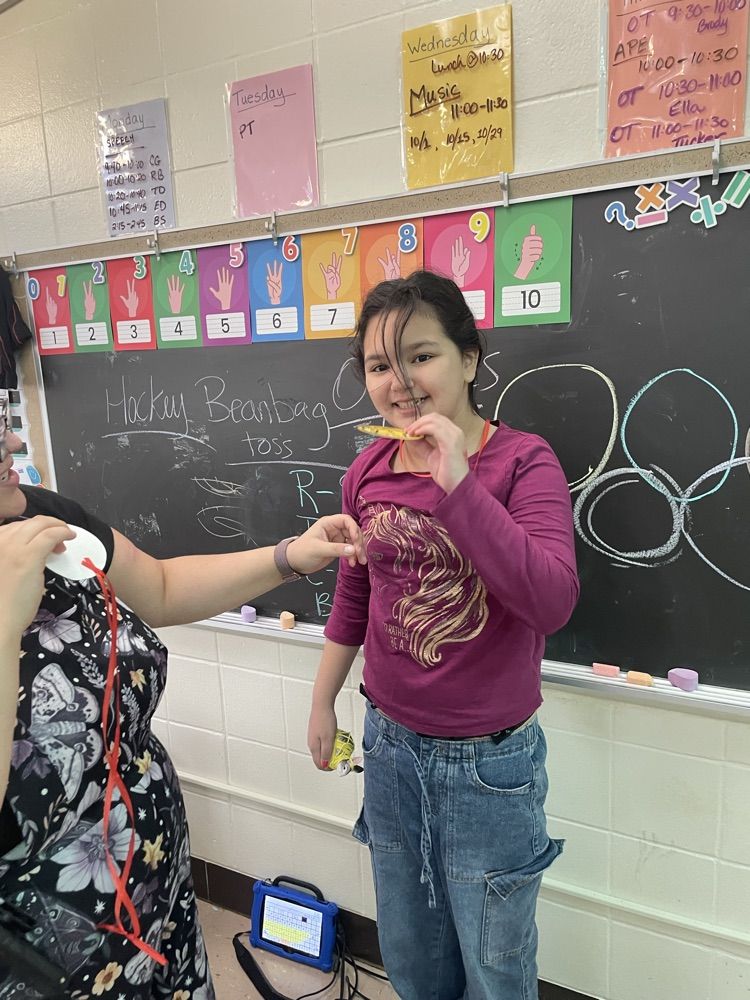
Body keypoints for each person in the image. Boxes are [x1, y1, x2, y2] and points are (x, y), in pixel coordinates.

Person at [0, 387, 366, 1000]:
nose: (13, 442)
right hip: (51, 956)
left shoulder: (36, 516)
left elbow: (162, 587)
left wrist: (289, 557)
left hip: (156, 894)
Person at [306, 271, 579, 1000]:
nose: (400, 382)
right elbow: (355, 594)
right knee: (413, 958)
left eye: (420, 356)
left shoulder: (523, 462)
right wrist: (321, 701)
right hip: (391, 751)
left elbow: (550, 600)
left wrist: (458, 481)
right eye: (377, 365)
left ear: (469, 359)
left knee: (495, 968)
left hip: (489, 769)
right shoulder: (365, 471)